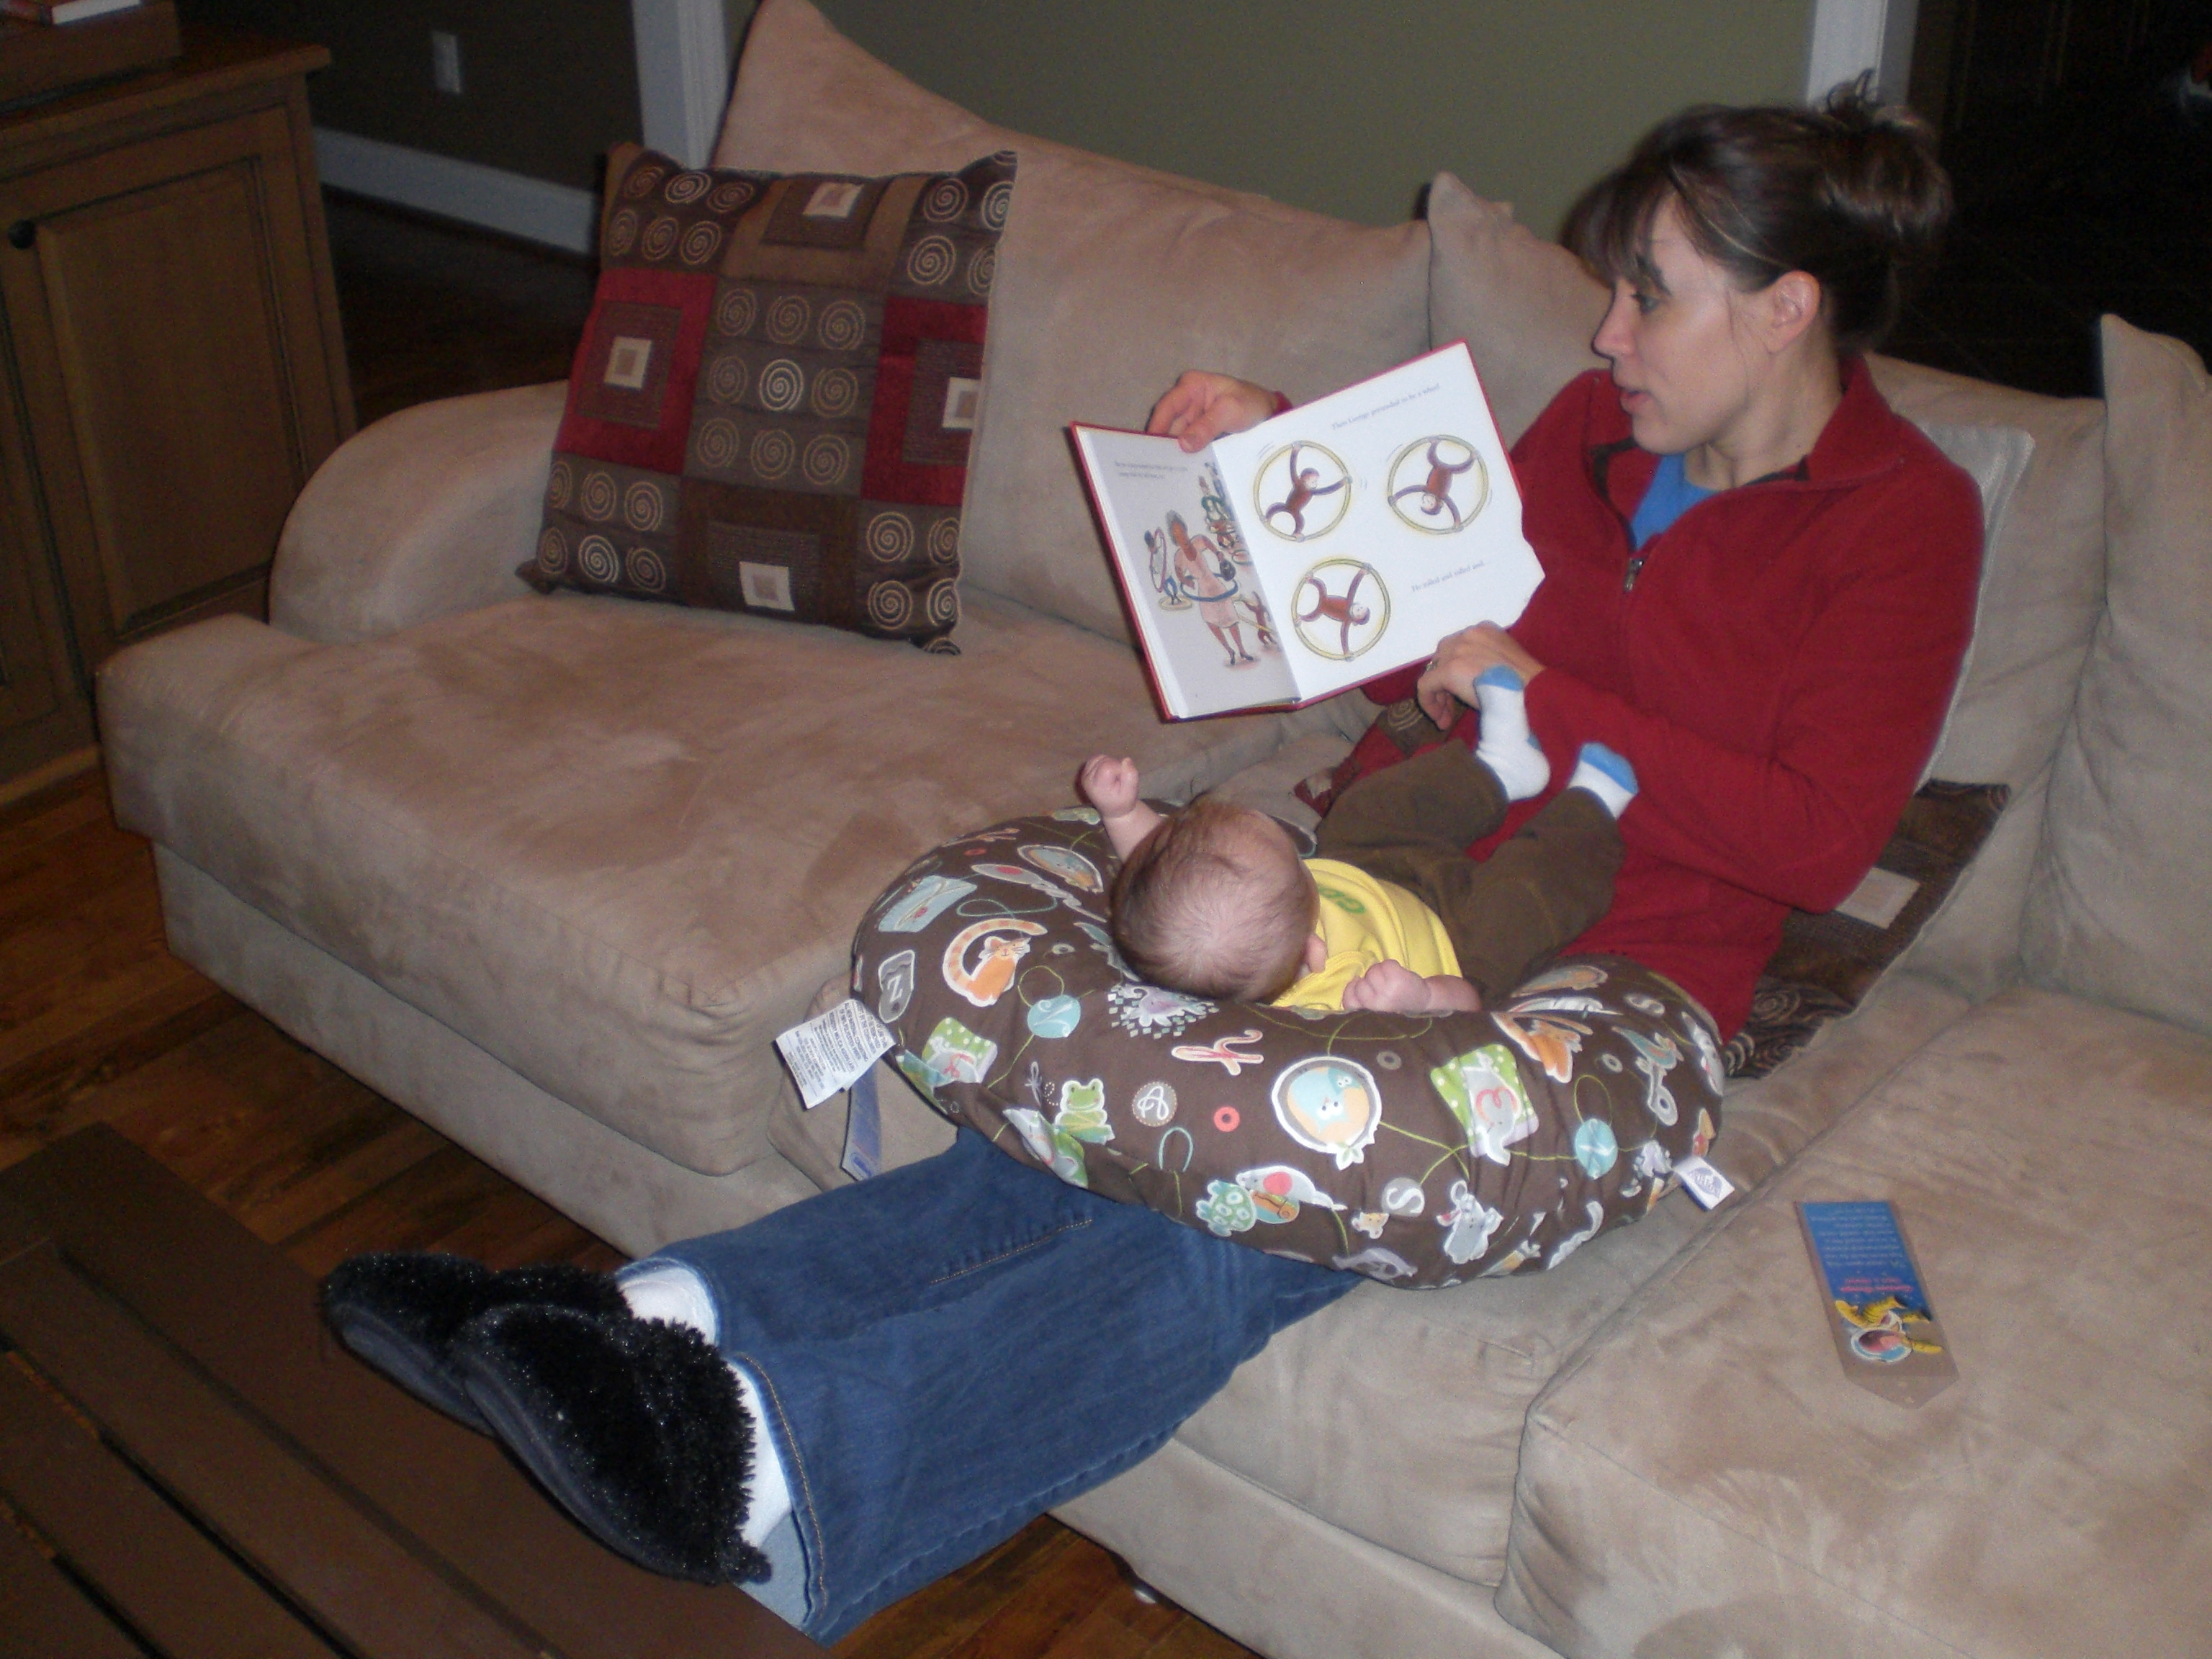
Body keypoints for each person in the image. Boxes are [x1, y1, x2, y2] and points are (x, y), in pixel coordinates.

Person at [318, 87, 1979, 1645]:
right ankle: (642, 1328)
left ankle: (767, 1455)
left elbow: (1816, 836)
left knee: (1246, 1210)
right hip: (1373, 872)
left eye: (1650, 296)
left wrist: (1551, 701)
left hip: (1611, 970)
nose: (1606, 332)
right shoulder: (1591, 428)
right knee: (1121, 1133)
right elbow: (1422, 610)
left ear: (1786, 309)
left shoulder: (1903, 523)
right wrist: (1278, 467)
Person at [1077, 692, 1640, 1014]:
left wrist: (1122, 813)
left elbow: (1161, 870)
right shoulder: (1334, 1009)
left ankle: (1498, 770)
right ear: (1313, 948)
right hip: (1452, 941)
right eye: (1294, 863)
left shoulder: (1199, 923)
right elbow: (1465, 1008)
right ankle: (1589, 810)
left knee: (1363, 808)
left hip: (1364, 874)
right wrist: (1422, 997)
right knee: (1517, 908)